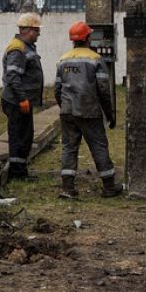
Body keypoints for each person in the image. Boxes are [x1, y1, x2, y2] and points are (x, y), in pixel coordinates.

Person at [54, 21, 122, 198]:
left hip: (67, 111)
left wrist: (65, 108)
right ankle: (109, 187)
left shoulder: (63, 60)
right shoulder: (95, 59)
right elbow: (103, 90)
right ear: (87, 38)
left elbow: (57, 89)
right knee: (99, 146)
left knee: (69, 148)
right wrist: (110, 114)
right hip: (89, 111)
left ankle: (67, 189)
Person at [1, 13, 45, 181]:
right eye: (37, 30)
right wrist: (22, 99)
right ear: (28, 30)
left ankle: (20, 170)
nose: (39, 34)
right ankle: (17, 173)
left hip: (21, 101)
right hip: (16, 102)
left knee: (25, 136)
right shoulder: (17, 48)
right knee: (19, 136)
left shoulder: (25, 46)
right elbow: (13, 77)